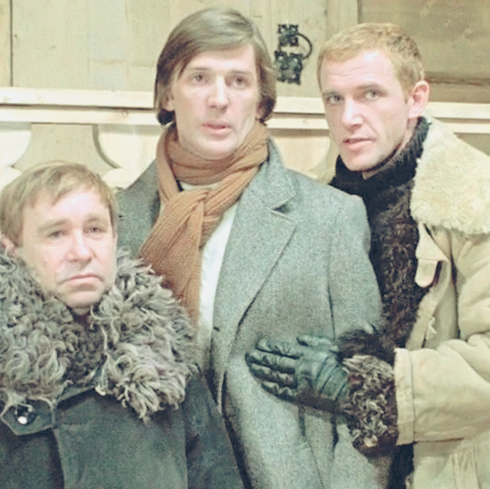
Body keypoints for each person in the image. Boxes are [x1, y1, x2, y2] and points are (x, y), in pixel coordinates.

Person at [246, 22, 490, 489]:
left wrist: (373, 386)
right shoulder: (316, 202)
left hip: (447, 472)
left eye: (370, 94)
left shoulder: (471, 200)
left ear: (416, 99)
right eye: (334, 98)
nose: (349, 117)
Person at [117, 7, 391, 489]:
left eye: (239, 81)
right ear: (167, 94)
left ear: (262, 101)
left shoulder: (329, 219)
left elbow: (368, 395)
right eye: (199, 78)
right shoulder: (115, 221)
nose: (219, 99)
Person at [0, 161, 243, 489]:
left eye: (94, 229)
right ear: (12, 248)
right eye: (56, 233)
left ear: (114, 238)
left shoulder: (164, 359)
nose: (81, 252)